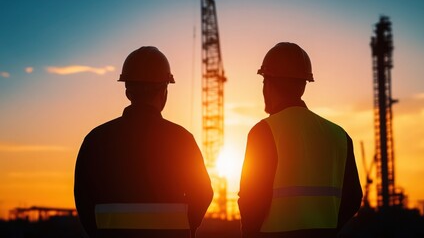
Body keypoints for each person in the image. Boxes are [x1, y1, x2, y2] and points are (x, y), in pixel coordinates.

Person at [74, 46, 213, 238]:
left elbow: (83, 201)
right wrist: (184, 228)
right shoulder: (181, 140)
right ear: (164, 90)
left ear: (127, 91)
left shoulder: (95, 140)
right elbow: (203, 193)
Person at [238, 42, 362, 238]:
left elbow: (251, 200)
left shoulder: (264, 132)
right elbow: (354, 198)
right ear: (303, 84)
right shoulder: (339, 135)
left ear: (267, 83)